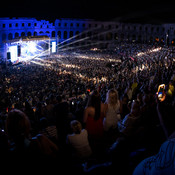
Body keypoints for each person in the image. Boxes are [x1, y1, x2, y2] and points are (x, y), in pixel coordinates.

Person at [83, 90, 106, 155]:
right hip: (99, 125)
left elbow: (84, 121)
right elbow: (104, 116)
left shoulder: (88, 109)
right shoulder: (103, 105)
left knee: (92, 142)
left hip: (91, 127)